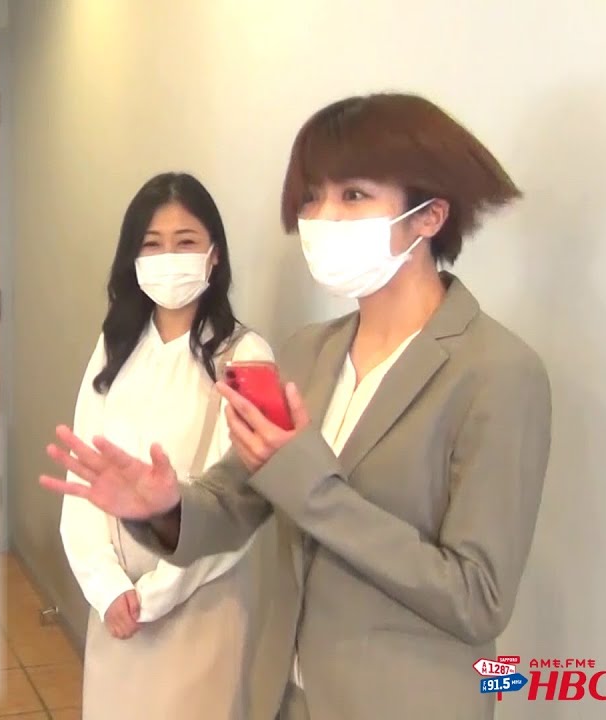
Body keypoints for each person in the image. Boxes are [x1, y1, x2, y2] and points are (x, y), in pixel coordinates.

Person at [39, 93, 553, 720]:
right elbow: (239, 500)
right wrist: (167, 508)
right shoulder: (311, 353)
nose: (322, 217)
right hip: (283, 692)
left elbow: (478, 597)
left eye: (353, 195)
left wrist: (314, 488)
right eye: (311, 197)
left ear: (429, 216)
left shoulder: (496, 371)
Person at [59, 172, 276, 720]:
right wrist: (107, 586)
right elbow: (84, 474)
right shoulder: (115, 346)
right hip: (115, 606)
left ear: (214, 255)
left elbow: (240, 502)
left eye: (185, 242)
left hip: (202, 602)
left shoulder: (247, 356)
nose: (168, 257)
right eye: (152, 244)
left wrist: (153, 597)